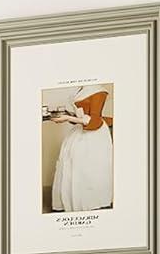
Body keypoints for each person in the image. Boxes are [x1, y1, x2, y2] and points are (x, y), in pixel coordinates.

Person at [48, 85, 113, 213]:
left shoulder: (99, 91)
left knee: (87, 167)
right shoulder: (80, 90)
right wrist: (66, 116)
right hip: (79, 131)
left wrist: (68, 118)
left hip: (94, 134)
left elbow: (95, 120)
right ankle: (73, 200)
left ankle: (91, 202)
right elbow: (81, 118)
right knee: (72, 163)